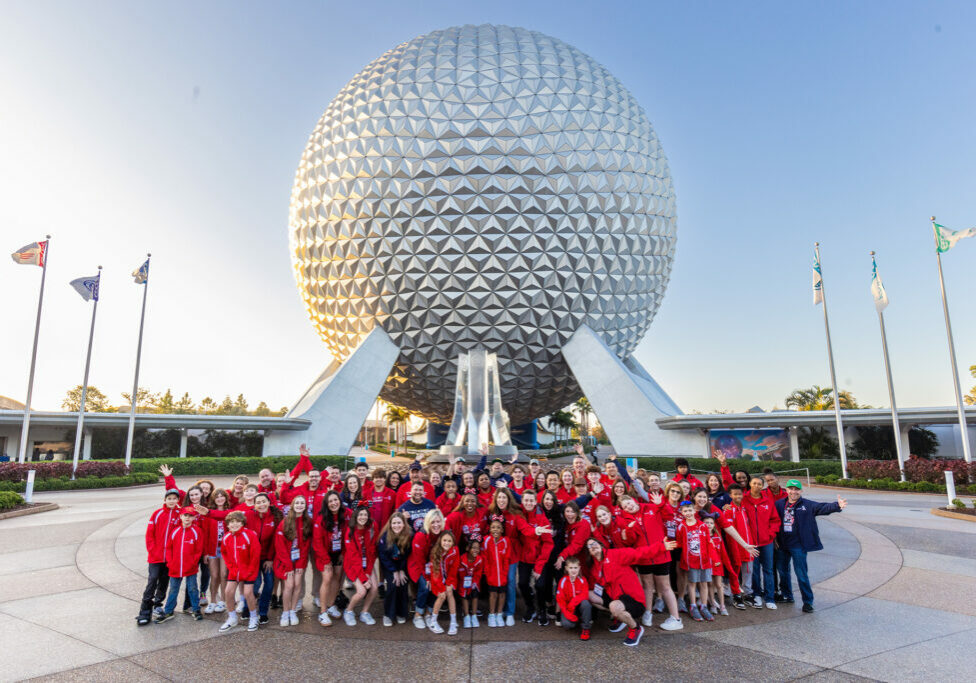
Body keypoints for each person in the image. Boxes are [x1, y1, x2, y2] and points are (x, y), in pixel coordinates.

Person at [584, 535, 677, 647]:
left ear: (601, 545)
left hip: (633, 599)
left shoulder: (615, 554)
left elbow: (639, 553)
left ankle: (635, 628)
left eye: (594, 543)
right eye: (589, 546)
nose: (593, 546)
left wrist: (661, 547)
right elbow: (598, 587)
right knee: (589, 595)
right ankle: (621, 617)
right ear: (589, 552)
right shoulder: (595, 568)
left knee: (614, 606)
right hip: (616, 598)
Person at [774, 480, 846, 613]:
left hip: (798, 545)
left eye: (796, 489)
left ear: (801, 491)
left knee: (801, 574)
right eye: (791, 489)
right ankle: (787, 595)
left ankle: (808, 602)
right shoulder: (779, 504)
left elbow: (822, 507)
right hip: (783, 544)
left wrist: (837, 505)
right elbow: (772, 521)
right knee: (783, 572)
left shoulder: (807, 504)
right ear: (786, 490)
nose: (793, 492)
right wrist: (774, 538)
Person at [137, 488, 181, 625]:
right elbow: (149, 535)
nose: (172, 501)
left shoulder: (180, 514)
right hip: (156, 556)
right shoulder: (157, 514)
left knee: (164, 581)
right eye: (169, 498)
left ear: (178, 500)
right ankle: (144, 611)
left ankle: (158, 605)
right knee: (152, 580)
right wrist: (152, 550)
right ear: (165, 500)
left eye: (174, 498)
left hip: (170, 557)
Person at [156, 506, 204, 623]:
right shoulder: (175, 531)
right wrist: (170, 562)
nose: (187, 518)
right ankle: (168, 611)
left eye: (190, 516)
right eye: (185, 515)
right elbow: (168, 548)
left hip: (191, 567)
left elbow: (198, 550)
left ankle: (196, 609)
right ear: (181, 516)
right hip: (175, 567)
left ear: (194, 518)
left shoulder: (196, 531)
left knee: (193, 588)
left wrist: (193, 562)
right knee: (173, 589)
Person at [311, 491, 351, 626]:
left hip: (338, 551)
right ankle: (323, 612)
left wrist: (343, 552)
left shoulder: (346, 514)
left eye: (336, 500)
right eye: (330, 502)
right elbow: (317, 542)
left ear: (340, 501)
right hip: (324, 553)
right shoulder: (321, 519)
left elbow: (350, 533)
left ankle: (331, 605)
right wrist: (326, 559)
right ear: (327, 505)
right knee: (327, 577)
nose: (334, 503)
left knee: (337, 577)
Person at [219, 511, 260, 633]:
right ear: (227, 524)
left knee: (248, 593)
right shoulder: (226, 537)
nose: (234, 524)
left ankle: (253, 617)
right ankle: (232, 617)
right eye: (231, 522)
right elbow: (224, 553)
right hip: (234, 571)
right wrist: (231, 567)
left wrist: (250, 570)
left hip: (249, 570)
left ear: (242, 523)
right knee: (228, 592)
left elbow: (255, 555)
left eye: (237, 522)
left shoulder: (250, 535)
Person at [743, 476, 781, 609]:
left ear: (762, 486)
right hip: (751, 543)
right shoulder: (744, 499)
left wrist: (770, 534)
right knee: (754, 570)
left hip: (766, 542)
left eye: (759, 484)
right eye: (754, 483)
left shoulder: (767, 500)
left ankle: (770, 598)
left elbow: (775, 520)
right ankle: (757, 595)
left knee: (768, 570)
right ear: (750, 484)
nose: (757, 486)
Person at [273, 495, 311, 627]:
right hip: (286, 562)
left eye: (302, 503)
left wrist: (300, 564)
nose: (300, 505)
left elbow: (306, 546)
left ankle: (293, 611)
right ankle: (285, 611)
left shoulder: (307, 522)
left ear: (305, 506)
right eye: (297, 503)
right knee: (288, 586)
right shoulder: (285, 522)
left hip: (299, 561)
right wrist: (288, 566)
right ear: (293, 505)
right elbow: (280, 547)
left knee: (297, 585)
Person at [674, 500, 713, 622]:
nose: (688, 513)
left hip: (704, 561)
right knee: (692, 584)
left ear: (694, 511)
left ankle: (704, 606)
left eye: (690, 510)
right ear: (681, 512)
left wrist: (711, 558)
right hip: (691, 561)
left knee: (704, 583)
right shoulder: (681, 527)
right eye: (685, 511)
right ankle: (693, 605)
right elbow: (680, 544)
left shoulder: (702, 525)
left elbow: (708, 542)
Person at [342, 505, 379, 626]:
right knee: (362, 591)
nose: (363, 517)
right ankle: (348, 611)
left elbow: (372, 551)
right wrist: (363, 578)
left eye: (365, 515)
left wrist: (368, 572)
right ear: (355, 516)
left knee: (374, 588)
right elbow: (354, 558)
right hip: (353, 565)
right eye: (360, 515)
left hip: (367, 563)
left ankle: (364, 612)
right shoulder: (350, 531)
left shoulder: (372, 528)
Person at [409, 509, 445, 629]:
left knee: (437, 584)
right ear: (428, 523)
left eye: (438, 522)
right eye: (433, 522)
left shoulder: (442, 534)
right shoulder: (421, 536)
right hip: (417, 565)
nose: (436, 525)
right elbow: (419, 561)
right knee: (425, 586)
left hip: (433, 565)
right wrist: (427, 577)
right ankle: (418, 614)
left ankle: (429, 613)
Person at [377, 512, 412, 627]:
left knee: (403, 584)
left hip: (401, 564)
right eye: (394, 523)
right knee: (393, 584)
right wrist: (394, 571)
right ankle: (388, 614)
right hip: (389, 565)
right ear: (390, 524)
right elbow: (383, 557)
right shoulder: (384, 537)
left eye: (399, 523)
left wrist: (401, 570)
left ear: (403, 524)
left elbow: (407, 555)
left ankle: (401, 612)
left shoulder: (408, 535)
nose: (396, 525)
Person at [427, 531, 460, 635]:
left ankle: (453, 622)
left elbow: (454, 569)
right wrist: (442, 587)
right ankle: (433, 622)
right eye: (444, 540)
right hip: (437, 579)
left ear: (453, 543)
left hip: (450, 578)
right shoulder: (435, 552)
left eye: (449, 541)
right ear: (440, 541)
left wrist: (449, 583)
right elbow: (435, 573)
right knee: (442, 595)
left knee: (449, 592)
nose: (447, 543)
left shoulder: (455, 551)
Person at [483, 519, 512, 627]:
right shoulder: (486, 540)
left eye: (498, 527)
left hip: (502, 575)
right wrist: (488, 574)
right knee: (493, 594)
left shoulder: (505, 541)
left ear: (502, 530)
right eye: (493, 527)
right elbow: (485, 559)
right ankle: (491, 614)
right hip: (492, 575)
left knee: (502, 594)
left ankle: (499, 614)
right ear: (490, 529)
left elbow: (506, 559)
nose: (495, 529)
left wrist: (504, 574)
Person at [556, 556, 592, 640]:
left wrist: (573, 602)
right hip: (568, 608)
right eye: (571, 568)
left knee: (586, 604)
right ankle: (578, 619)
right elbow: (560, 600)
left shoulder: (583, 580)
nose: (573, 570)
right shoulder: (563, 581)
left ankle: (586, 628)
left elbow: (584, 595)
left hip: (578, 606)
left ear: (579, 568)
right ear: (566, 568)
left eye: (575, 567)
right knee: (568, 625)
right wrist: (568, 613)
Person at [458, 538, 483, 628]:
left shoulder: (479, 560)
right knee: (464, 595)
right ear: (468, 548)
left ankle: (474, 615)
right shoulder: (462, 559)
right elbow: (460, 572)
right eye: (474, 548)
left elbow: (479, 573)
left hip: (474, 582)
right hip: (464, 582)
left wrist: (474, 582)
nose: (476, 550)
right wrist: (466, 579)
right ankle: (467, 615)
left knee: (475, 594)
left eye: (478, 548)